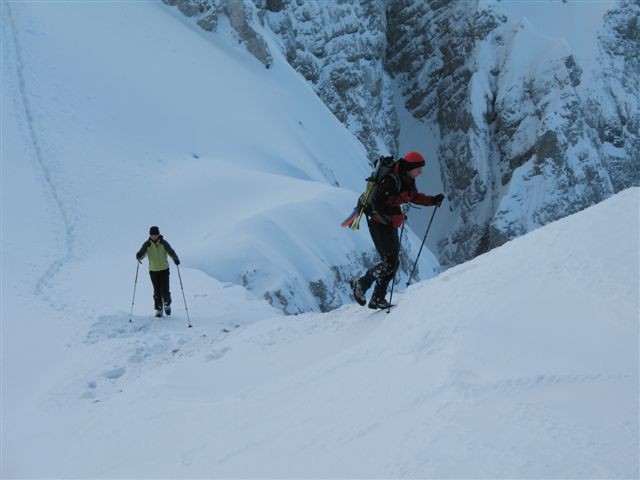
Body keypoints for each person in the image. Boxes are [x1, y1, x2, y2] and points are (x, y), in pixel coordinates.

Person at [351, 151, 444, 309]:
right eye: (419, 168)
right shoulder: (392, 180)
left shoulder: (407, 179)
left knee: (392, 263)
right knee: (390, 262)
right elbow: (377, 204)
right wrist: (395, 214)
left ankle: (375, 297)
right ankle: (364, 286)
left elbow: (413, 196)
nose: (421, 172)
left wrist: (432, 200)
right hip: (378, 222)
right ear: (411, 167)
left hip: (389, 224)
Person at [136, 226, 180, 317]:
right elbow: (142, 254)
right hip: (153, 271)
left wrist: (175, 259)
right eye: (152, 235)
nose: (154, 236)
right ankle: (159, 309)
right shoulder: (147, 244)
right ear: (150, 235)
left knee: (165, 289)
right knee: (157, 291)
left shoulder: (163, 243)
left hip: (164, 269)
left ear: (158, 234)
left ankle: (167, 303)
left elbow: (171, 252)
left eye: (155, 234)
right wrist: (139, 255)